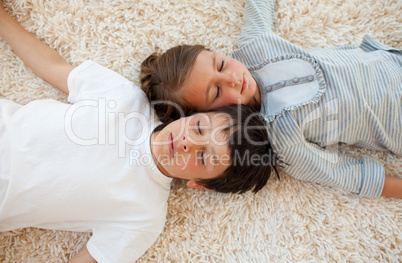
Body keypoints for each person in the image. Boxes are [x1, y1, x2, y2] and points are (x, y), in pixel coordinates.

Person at [0, 3, 274, 262]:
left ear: (199, 184)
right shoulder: (124, 97)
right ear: (194, 114)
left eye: (204, 157)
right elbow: (52, 66)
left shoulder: (144, 218)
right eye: (200, 127)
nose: (188, 142)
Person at [140, 0, 402, 198]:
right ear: (209, 115)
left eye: (220, 64)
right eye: (217, 92)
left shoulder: (254, 46)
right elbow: (343, 173)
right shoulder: (278, 138)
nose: (231, 78)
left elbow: (258, 6)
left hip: (391, 62)